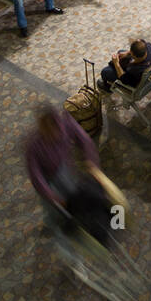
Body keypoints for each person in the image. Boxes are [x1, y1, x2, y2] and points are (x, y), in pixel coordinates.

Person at [25, 105, 113, 247]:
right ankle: (55, 225)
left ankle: (87, 224)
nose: (55, 135)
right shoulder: (34, 146)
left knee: (76, 195)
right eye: (50, 133)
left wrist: (91, 163)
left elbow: (84, 141)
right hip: (48, 179)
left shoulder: (65, 123)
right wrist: (54, 198)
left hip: (64, 167)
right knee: (55, 209)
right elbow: (37, 178)